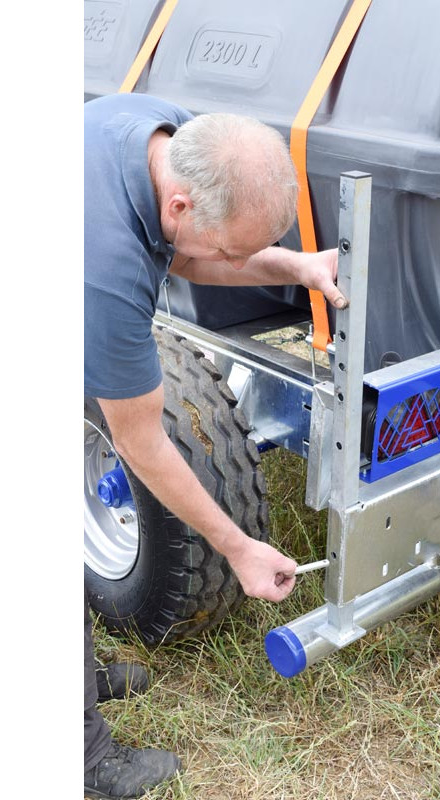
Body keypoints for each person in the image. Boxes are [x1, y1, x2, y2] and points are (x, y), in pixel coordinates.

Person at [83, 92, 346, 798]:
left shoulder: (173, 136)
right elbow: (142, 444)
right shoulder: (104, 267)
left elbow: (203, 254)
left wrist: (298, 267)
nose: (236, 261)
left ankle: (75, 673)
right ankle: (83, 757)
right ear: (178, 211)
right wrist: (237, 546)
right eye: (234, 247)